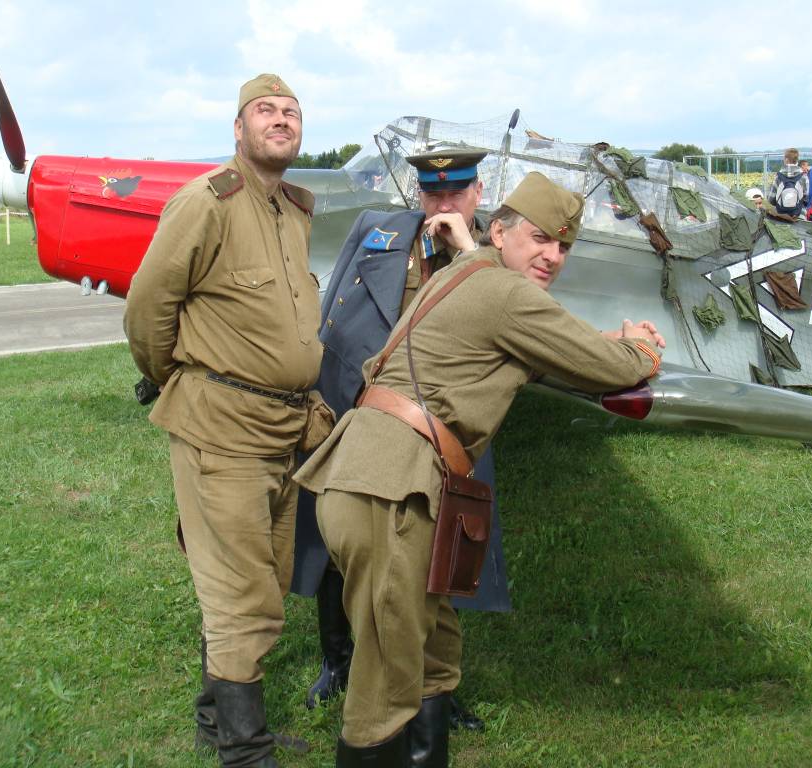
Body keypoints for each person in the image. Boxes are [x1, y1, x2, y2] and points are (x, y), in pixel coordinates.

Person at [295, 172, 666, 766]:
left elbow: (532, 344)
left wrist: (598, 342)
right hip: (390, 492)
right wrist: (640, 346)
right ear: (498, 233)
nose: (552, 256)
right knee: (385, 684)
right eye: (540, 238)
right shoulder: (506, 293)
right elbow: (610, 366)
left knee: (434, 653)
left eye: (563, 246)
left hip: (376, 476)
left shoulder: (463, 274)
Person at [124, 73, 320, 768]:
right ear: (238, 128)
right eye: (265, 110)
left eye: (291, 112)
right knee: (243, 596)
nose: (281, 119)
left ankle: (216, 718)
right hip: (223, 430)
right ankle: (245, 751)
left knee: (265, 576)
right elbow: (148, 306)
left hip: (285, 431)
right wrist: (177, 378)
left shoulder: (293, 210)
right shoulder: (205, 202)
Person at [292, 149, 507, 730]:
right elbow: (333, 306)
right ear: (418, 194)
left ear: (477, 193)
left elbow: (520, 314)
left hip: (440, 428)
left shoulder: (490, 254)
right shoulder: (378, 229)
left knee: (441, 549)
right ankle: (338, 661)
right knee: (339, 543)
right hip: (358, 406)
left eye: (456, 193)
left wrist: (469, 250)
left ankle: (436, 689)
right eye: (433, 193)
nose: (444, 204)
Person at [768, 148, 809, 217]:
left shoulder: (778, 176)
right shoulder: (803, 177)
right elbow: (806, 198)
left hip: (781, 214)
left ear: (786, 159)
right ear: (797, 160)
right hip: (798, 214)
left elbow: (771, 199)